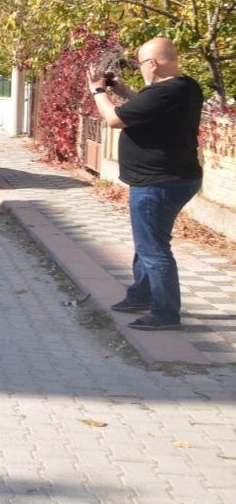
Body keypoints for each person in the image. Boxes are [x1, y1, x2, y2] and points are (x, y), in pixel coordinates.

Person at [86, 37, 203, 331]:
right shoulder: (185, 87)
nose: (139, 69)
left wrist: (98, 91)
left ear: (152, 64)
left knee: (153, 248)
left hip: (158, 182)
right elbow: (145, 106)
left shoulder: (166, 92)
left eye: (140, 64)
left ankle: (165, 314)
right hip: (174, 178)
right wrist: (121, 89)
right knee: (149, 242)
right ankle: (141, 294)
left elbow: (113, 119)